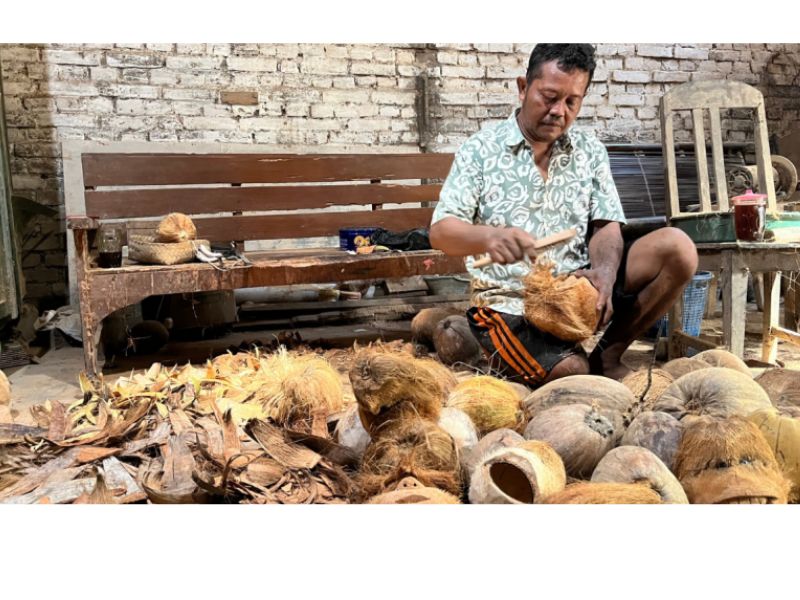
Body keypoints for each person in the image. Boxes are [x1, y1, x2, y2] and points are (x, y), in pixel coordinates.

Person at [430, 43, 698, 387]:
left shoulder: (589, 150)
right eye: (549, 97)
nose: (559, 111)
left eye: (572, 101)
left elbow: (606, 223)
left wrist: (603, 272)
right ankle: (567, 360)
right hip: (509, 304)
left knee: (678, 248)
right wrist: (489, 237)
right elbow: (441, 231)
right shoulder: (480, 149)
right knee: (571, 375)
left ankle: (608, 354)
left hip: (576, 292)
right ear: (523, 87)